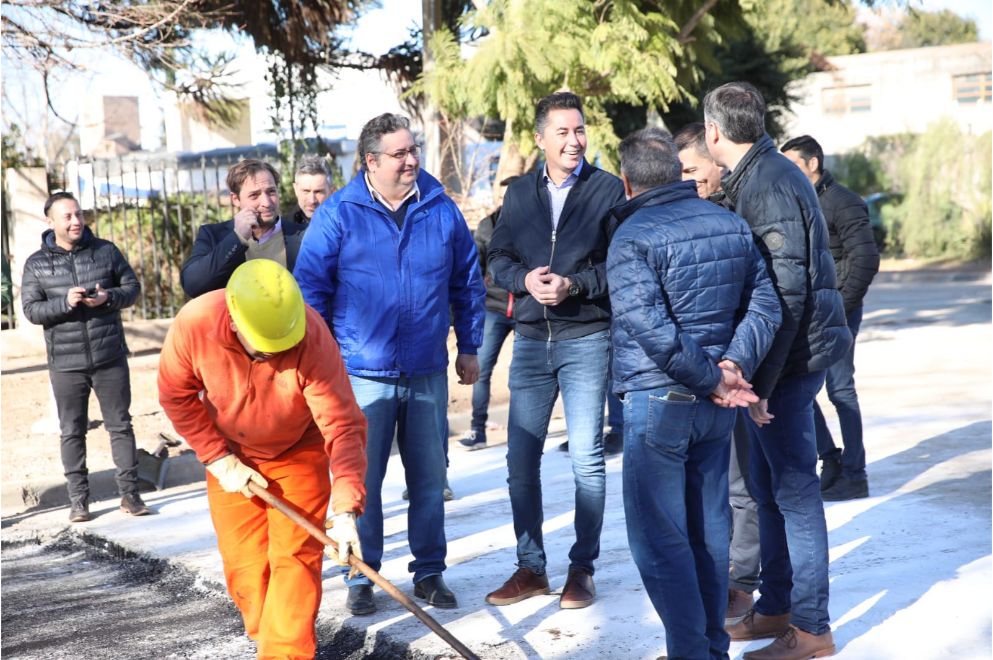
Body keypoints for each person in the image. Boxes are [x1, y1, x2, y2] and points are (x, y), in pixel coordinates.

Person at [293, 112, 485, 615]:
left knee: (428, 478)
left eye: (413, 150)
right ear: (371, 161)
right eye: (399, 153)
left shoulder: (440, 208)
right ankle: (360, 574)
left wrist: (469, 345)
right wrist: (323, 361)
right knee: (362, 482)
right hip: (360, 374)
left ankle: (429, 573)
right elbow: (310, 293)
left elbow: (466, 281)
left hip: (425, 369)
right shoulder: (338, 213)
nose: (411, 160)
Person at [609, 127, 781, 660]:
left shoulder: (631, 237)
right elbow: (766, 306)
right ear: (680, 171)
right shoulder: (729, 223)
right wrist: (731, 367)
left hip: (663, 403)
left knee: (661, 541)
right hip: (711, 406)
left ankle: (694, 651)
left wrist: (718, 374)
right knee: (708, 534)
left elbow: (651, 328)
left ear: (627, 181)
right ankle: (710, 648)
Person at [704, 82, 851, 660]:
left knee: (794, 495)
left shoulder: (767, 182)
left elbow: (785, 293)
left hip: (788, 365)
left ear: (714, 131)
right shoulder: (758, 175)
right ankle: (776, 608)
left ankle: (812, 630)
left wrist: (759, 386)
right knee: (766, 490)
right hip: (780, 362)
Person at [157, 259, 367, 659]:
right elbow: (175, 395)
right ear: (234, 322)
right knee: (246, 566)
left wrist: (345, 509)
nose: (276, 356)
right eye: (265, 348)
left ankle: (284, 652)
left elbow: (343, 426)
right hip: (230, 455)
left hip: (297, 451)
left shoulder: (311, 337)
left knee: (296, 559)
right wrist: (217, 457)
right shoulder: (196, 324)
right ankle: (266, 635)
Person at [486, 91, 625, 610]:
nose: (573, 140)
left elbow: (621, 266)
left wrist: (576, 285)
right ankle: (531, 568)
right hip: (529, 343)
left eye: (580, 130)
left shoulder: (608, 190)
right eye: (562, 132)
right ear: (541, 139)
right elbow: (496, 257)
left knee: (587, 460)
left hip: (587, 339)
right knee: (520, 460)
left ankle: (582, 569)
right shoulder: (520, 193)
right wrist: (523, 278)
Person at [676, 120, 761, 622]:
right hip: (698, 374)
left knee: (741, 486)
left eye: (693, 170)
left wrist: (738, 366)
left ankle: (742, 581)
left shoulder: (737, 217)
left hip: (738, 371)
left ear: (716, 160)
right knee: (712, 485)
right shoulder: (686, 216)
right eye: (680, 172)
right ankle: (713, 575)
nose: (688, 180)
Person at [21, 192, 150, 522]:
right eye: (67, 217)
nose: (76, 221)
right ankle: (79, 501)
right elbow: (32, 310)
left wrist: (108, 298)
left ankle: (130, 495)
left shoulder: (105, 251)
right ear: (50, 223)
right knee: (72, 431)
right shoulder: (37, 263)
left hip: (109, 355)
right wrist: (65, 302)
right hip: (66, 364)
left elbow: (132, 288)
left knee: (120, 426)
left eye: (78, 214)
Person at [781, 135, 880, 502]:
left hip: (838, 312)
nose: (787, 172)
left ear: (813, 163)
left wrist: (840, 308)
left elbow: (866, 260)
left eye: (793, 164)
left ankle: (856, 473)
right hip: (804, 313)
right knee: (800, 392)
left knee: (840, 390)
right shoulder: (795, 201)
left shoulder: (844, 202)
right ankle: (831, 459)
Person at [180, 158, 307, 298]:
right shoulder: (213, 235)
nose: (266, 202)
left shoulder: (303, 235)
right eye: (254, 195)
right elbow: (192, 285)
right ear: (235, 199)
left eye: (271, 192)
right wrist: (237, 238)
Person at [458, 177, 519, 451]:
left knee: (525, 374)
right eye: (503, 196)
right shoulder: (487, 226)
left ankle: (523, 432)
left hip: (527, 309)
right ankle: (477, 429)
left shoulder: (537, 224)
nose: (507, 202)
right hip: (494, 309)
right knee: (480, 370)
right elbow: (475, 266)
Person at [674, 121, 725, 201]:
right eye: (679, 173)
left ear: (718, 162)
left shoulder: (746, 200)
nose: (683, 180)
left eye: (691, 171)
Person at [291, 155, 334, 225]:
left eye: (318, 192)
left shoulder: (346, 227)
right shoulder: (281, 229)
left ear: (331, 192)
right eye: (306, 191)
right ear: (295, 189)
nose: (312, 200)